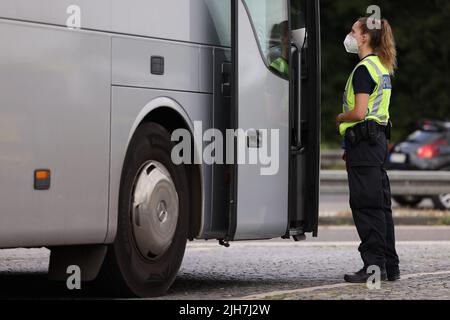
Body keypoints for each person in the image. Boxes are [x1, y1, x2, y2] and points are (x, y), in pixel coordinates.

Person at [336, 16, 400, 283]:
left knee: (366, 207)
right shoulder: (381, 67)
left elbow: (360, 112)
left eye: (353, 31)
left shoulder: (364, 70)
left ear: (364, 37)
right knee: (380, 206)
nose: (349, 36)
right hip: (374, 145)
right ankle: (389, 266)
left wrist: (340, 118)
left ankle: (374, 267)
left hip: (364, 145)